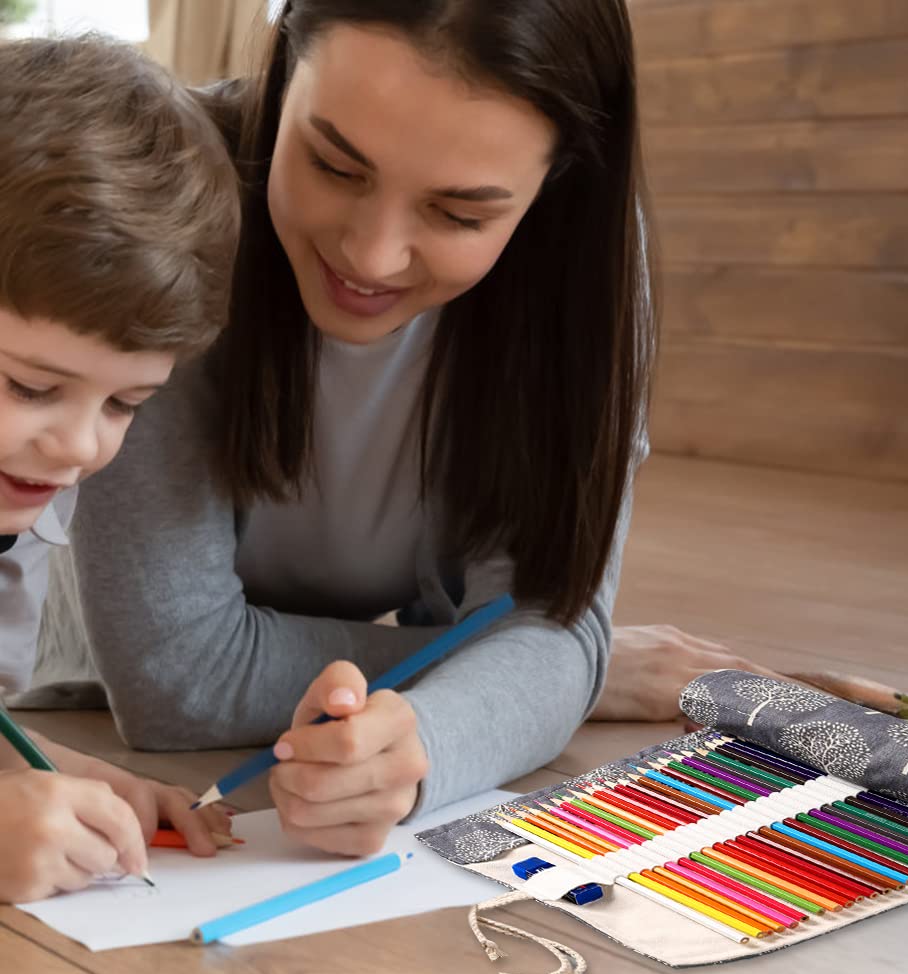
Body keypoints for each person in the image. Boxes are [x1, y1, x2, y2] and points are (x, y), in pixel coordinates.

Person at [22, 1, 768, 858]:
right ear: (281, 74)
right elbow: (178, 675)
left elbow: (549, 618)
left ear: (556, 185)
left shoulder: (582, 271)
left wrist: (431, 738)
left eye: (460, 215)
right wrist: (527, 674)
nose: (372, 257)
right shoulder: (163, 210)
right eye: (334, 166)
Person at [0, 34, 240, 901]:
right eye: (30, 386)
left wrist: (84, 782)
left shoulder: (19, 499)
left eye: (123, 405)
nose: (78, 447)